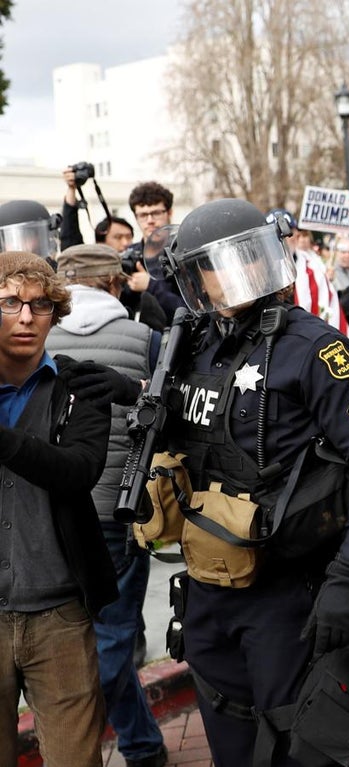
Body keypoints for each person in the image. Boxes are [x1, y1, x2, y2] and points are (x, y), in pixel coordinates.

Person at [147, 199, 349, 765]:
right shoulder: (190, 346)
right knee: (230, 742)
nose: (237, 274)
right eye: (218, 264)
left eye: (248, 256)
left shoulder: (313, 347)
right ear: (195, 278)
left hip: (286, 589)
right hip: (208, 586)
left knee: (294, 746)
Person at [44, 243, 168, 767]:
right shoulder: (146, 338)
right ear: (115, 284)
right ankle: (119, 746)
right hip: (120, 508)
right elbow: (171, 414)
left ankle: (140, 745)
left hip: (51, 510)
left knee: (81, 637)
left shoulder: (33, 336)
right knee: (113, 638)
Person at [0, 251, 118, 766]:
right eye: (10, 303)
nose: (26, 317)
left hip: (60, 617)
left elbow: (78, 471)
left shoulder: (80, 385)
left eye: (40, 305)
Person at [269, 208, 349, 340]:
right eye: (273, 235)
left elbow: (328, 308)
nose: (280, 240)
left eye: (285, 234)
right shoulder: (261, 273)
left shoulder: (314, 268)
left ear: (295, 236)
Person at [122, 181, 185, 323]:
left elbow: (193, 310)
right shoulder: (129, 255)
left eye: (156, 213)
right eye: (143, 215)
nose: (150, 220)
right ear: (136, 217)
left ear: (169, 212)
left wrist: (150, 285)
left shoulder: (183, 252)